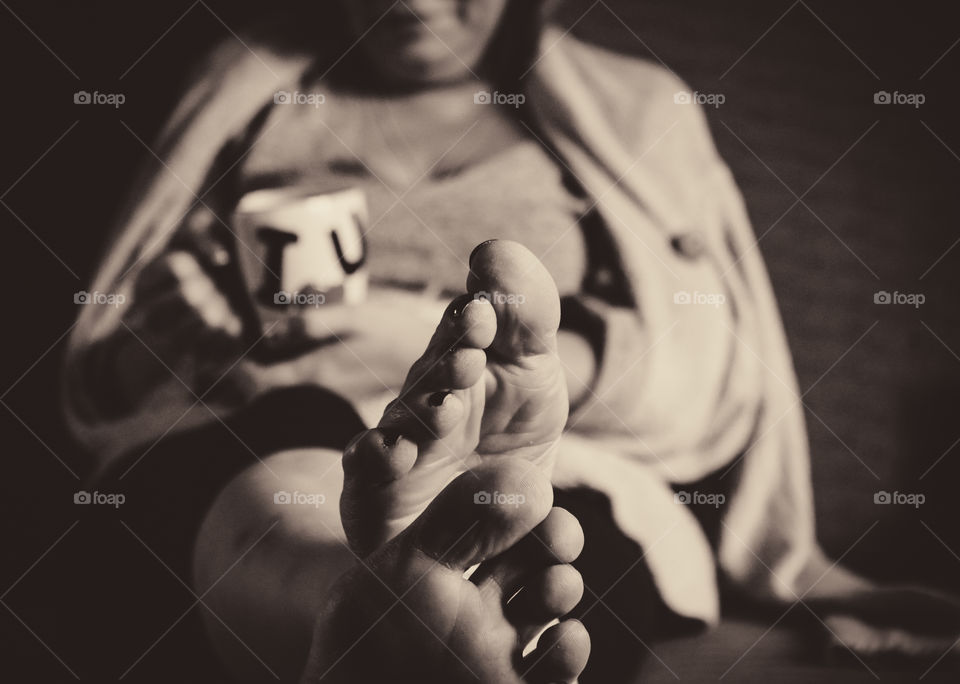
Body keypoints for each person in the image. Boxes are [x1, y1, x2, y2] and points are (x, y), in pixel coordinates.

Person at [63, 1, 960, 681]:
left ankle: (386, 604)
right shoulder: (241, 93)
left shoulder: (632, 112)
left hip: (560, 447)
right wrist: (170, 327)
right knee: (299, 458)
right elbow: (111, 376)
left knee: (546, 514)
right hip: (282, 408)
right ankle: (372, 608)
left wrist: (516, 371)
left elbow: (702, 363)